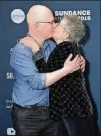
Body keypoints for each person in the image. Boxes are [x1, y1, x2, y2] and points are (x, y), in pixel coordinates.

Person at [10, 5, 85, 136]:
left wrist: (78, 61)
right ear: (37, 26)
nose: (55, 24)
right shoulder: (21, 50)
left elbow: (65, 67)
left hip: (54, 113)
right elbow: (37, 81)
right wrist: (67, 69)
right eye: (51, 22)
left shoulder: (52, 45)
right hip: (28, 118)